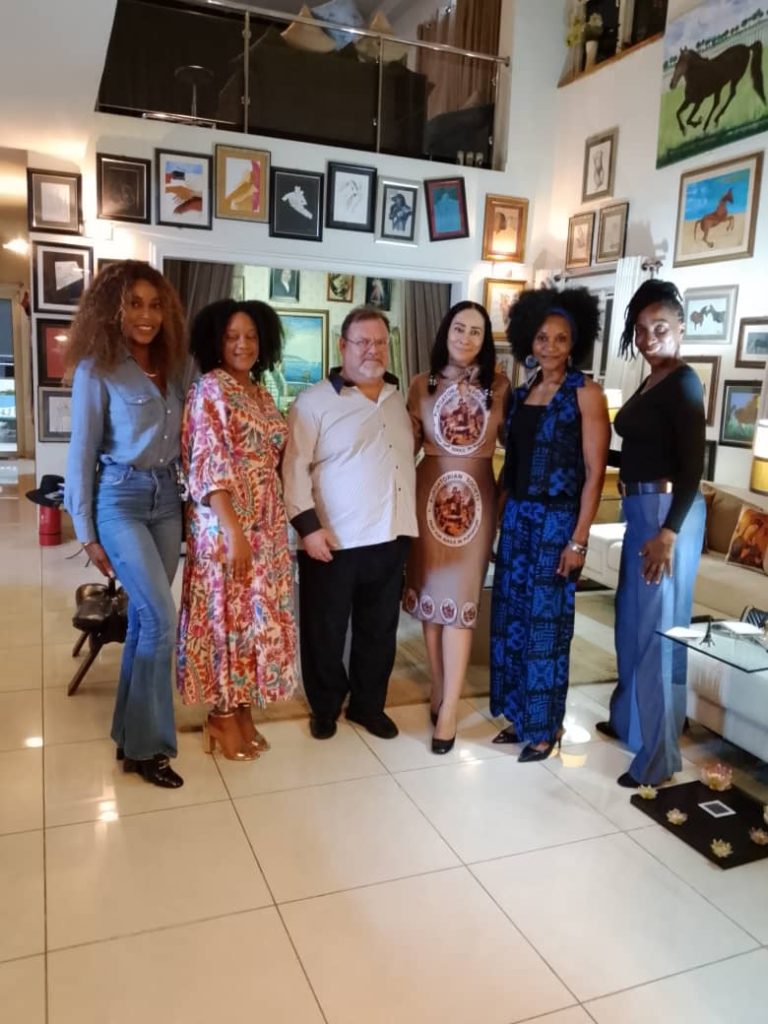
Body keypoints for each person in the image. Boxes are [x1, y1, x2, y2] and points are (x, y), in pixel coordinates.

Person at [64, 261, 190, 789]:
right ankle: (150, 748)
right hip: (120, 498)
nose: (147, 315)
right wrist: (86, 531)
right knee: (161, 618)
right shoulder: (98, 370)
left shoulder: (175, 367)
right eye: (134, 304)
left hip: (167, 501)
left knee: (143, 620)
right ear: (111, 309)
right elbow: (81, 450)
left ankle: (127, 732)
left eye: (155, 305)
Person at [282, 306, 417, 741]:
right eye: (362, 342)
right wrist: (308, 528)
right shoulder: (313, 402)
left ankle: (367, 705)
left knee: (379, 632)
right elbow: (294, 468)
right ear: (342, 346)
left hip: (389, 535)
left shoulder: (397, 399)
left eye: (379, 342)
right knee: (324, 630)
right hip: (332, 539)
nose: (372, 350)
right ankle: (324, 706)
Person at [490, 288, 610, 762]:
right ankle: (520, 715)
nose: (551, 346)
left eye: (561, 338)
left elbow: (594, 473)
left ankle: (546, 727)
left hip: (557, 523)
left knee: (547, 628)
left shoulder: (587, 394)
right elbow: (512, 464)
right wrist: (498, 517)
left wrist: (578, 541)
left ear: (574, 342)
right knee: (512, 621)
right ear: (529, 340)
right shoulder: (521, 395)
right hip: (518, 520)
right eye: (542, 337)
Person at [596, 280, 706, 788]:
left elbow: (692, 467)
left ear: (681, 327)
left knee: (658, 633)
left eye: (659, 327)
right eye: (640, 329)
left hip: (666, 514)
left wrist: (668, 532)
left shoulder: (684, 382)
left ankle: (658, 760)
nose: (647, 337)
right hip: (642, 508)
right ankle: (629, 723)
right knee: (631, 624)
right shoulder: (652, 380)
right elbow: (641, 451)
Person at [176, 300, 297, 760]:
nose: (242, 344)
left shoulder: (261, 393)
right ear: (216, 341)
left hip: (264, 525)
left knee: (253, 619)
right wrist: (233, 531)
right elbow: (207, 464)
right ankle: (221, 715)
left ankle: (243, 708)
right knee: (225, 617)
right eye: (231, 337)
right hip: (225, 524)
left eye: (250, 336)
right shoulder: (210, 388)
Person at [403, 302, 510, 754]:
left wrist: (505, 500)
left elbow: (517, 449)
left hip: (476, 504)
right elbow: (403, 447)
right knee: (431, 601)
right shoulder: (420, 384)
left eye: (476, 332)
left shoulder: (500, 387)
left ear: (485, 341)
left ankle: (449, 709)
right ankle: (439, 684)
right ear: (446, 332)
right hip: (427, 497)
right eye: (459, 328)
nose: (466, 338)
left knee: (462, 602)